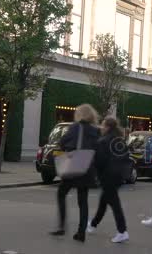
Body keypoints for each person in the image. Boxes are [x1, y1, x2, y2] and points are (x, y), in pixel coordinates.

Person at [50, 104, 100, 243]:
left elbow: (63, 142)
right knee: (83, 201)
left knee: (61, 193)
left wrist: (68, 148)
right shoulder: (96, 131)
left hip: (73, 167)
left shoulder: (75, 127)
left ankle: (61, 226)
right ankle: (81, 232)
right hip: (87, 169)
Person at [87, 117, 129, 243]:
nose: (101, 127)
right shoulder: (120, 140)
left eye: (103, 125)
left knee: (115, 204)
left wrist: (95, 174)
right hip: (119, 176)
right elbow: (126, 157)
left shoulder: (103, 141)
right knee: (104, 201)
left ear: (108, 127)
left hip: (107, 176)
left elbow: (99, 162)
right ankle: (93, 225)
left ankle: (122, 231)